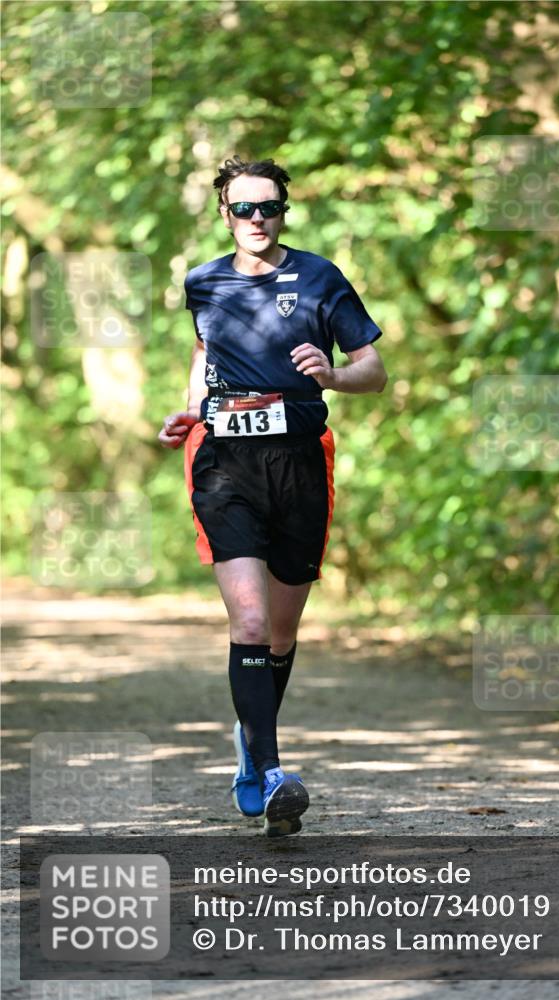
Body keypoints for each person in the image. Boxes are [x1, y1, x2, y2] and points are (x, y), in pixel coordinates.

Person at [158, 155, 387, 837]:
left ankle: (250, 739)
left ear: (284, 212)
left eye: (269, 208)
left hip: (298, 461)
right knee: (251, 624)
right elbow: (205, 359)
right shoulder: (203, 282)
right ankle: (268, 768)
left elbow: (371, 368)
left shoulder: (320, 276)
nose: (257, 220)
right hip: (224, 460)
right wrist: (189, 412)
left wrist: (334, 376)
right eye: (243, 209)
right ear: (224, 214)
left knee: (282, 634)